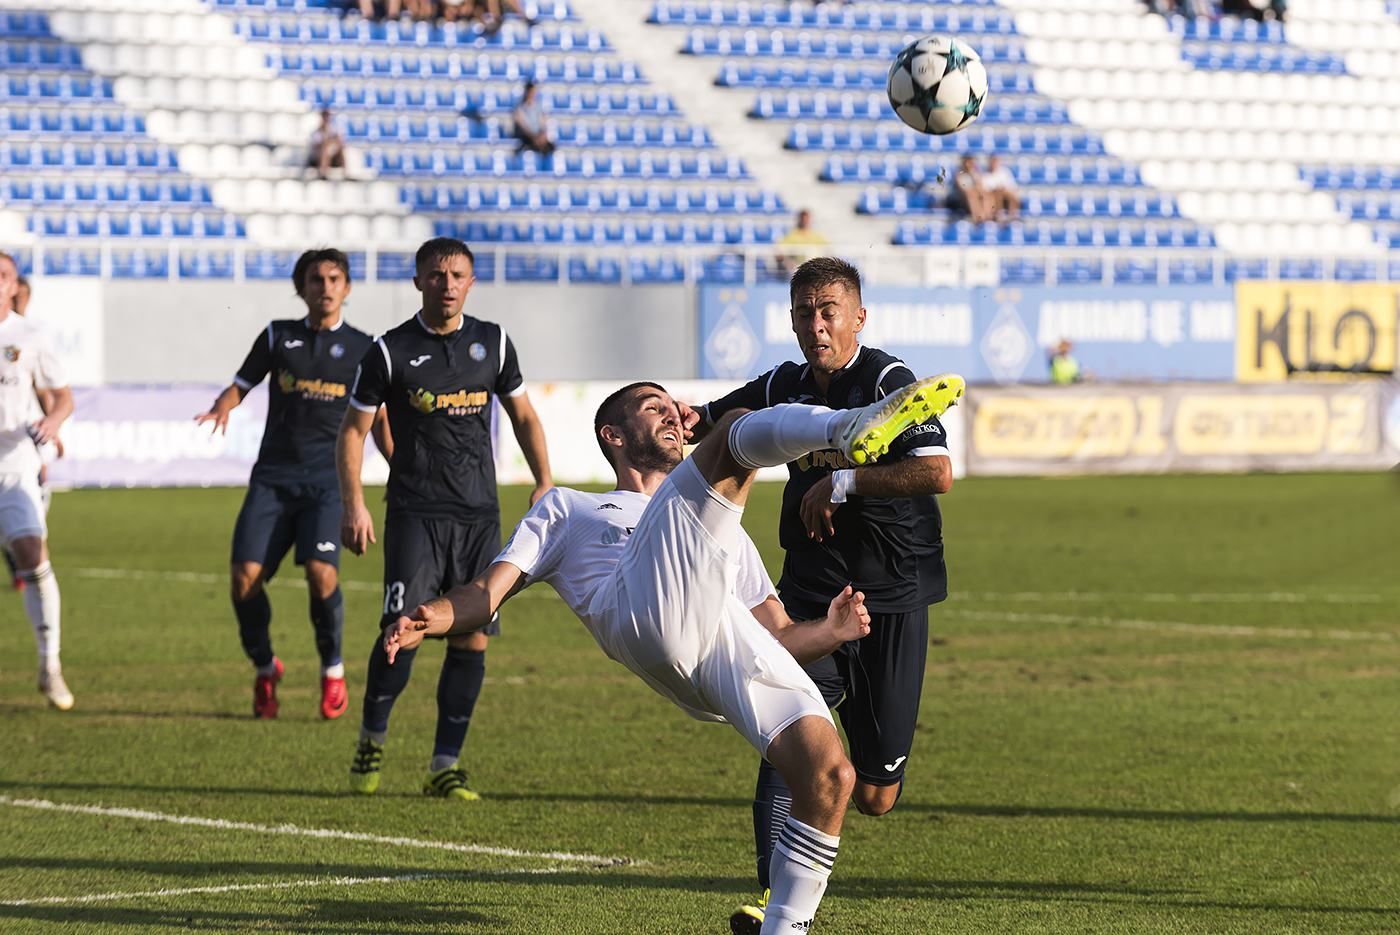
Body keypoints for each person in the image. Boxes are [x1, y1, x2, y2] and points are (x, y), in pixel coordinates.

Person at [384, 374, 964, 933]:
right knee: (734, 428)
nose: (669, 412)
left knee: (829, 775)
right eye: (650, 406)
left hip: (711, 643)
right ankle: (851, 427)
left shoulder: (723, 533)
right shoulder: (568, 508)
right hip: (636, 609)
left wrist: (831, 632)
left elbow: (779, 636)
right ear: (613, 436)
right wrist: (430, 615)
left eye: (670, 404)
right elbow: (488, 595)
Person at [690, 257, 957, 934]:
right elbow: (714, 423)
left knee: (876, 794)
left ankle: (837, 812)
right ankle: (774, 900)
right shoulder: (783, 382)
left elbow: (937, 472)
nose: (817, 324)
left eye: (829, 310)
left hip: (894, 591)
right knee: (791, 731)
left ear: (858, 317)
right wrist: (670, 416)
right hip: (811, 590)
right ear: (791, 318)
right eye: (805, 312)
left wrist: (842, 483)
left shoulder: (887, 379)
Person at [339, 236, 552, 801]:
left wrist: (544, 479)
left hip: (480, 514)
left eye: (458, 274)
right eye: (436, 275)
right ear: (418, 281)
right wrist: (354, 502)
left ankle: (444, 765)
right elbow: (353, 432)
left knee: (472, 640)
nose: (448, 283)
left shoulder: (494, 342)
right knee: (402, 633)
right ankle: (372, 739)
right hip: (415, 513)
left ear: (472, 281)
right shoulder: (388, 351)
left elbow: (525, 417)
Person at [195, 249, 384, 720]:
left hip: (327, 483)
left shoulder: (365, 348)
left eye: (334, 278)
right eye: (316, 279)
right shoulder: (279, 336)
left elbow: (378, 417)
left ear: (347, 288)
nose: (325, 287)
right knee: (244, 581)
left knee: (322, 576)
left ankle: (333, 671)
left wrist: (400, 471)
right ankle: (265, 668)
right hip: (273, 480)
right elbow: (241, 383)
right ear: (301, 288)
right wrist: (223, 406)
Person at [0, 252, 75, 709]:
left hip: (12, 466)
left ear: (14, 286)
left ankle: (50, 665)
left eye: (3, 275)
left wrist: (53, 423)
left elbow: (63, 396)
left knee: (32, 554)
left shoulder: (30, 336)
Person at [774, 209, 830, 274]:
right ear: (799, 219)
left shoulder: (816, 235)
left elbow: (828, 249)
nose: (805, 221)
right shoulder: (792, 235)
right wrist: (789, 263)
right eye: (803, 219)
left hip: (815, 269)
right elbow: (778, 250)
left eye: (807, 219)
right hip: (798, 269)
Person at [512, 80, 555, 159]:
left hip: (538, 136)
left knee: (551, 147)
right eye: (531, 92)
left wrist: (542, 135)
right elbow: (523, 126)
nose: (532, 94)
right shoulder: (520, 108)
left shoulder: (538, 107)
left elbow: (542, 123)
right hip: (527, 137)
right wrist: (534, 137)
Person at [947, 155, 992, 224]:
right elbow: (961, 189)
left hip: (973, 196)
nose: (970, 165)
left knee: (984, 193)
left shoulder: (975, 173)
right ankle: (977, 218)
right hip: (958, 199)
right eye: (969, 162)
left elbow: (980, 186)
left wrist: (972, 174)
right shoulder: (959, 174)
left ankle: (986, 216)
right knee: (971, 194)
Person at [308, 109, 346, 181]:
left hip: (332, 157)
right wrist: (329, 141)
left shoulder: (333, 130)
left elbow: (339, 142)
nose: (327, 119)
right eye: (325, 116)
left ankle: (346, 174)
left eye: (328, 116)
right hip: (317, 159)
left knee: (341, 149)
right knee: (325, 150)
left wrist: (330, 142)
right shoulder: (316, 132)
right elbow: (318, 146)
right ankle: (323, 173)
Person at [982, 155, 1021, 223]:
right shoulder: (985, 174)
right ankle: (1000, 214)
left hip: (1005, 195)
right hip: (992, 197)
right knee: (998, 192)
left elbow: (1012, 186)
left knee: (1011, 194)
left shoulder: (1005, 171)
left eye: (996, 161)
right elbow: (985, 190)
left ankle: (1013, 215)